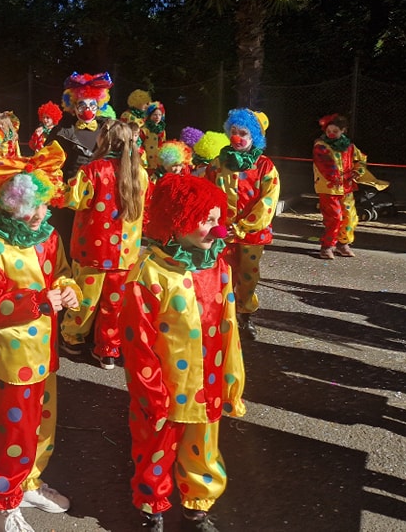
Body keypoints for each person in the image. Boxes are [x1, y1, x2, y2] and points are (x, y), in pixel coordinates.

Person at [120, 174, 246, 532]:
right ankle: (151, 509)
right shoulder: (150, 273)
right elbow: (137, 343)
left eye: (216, 219)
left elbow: (229, 328)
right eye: (205, 221)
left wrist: (231, 378)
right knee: (155, 450)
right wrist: (151, 393)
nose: (216, 230)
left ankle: (197, 506)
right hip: (164, 388)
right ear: (176, 222)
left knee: (203, 449)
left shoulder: (218, 266)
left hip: (208, 380)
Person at [0, 142, 79, 532]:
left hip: (45, 352)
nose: (44, 215)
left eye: (44, 208)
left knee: (43, 424)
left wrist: (68, 290)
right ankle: (4, 505)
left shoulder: (48, 238)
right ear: (13, 209)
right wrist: (37, 300)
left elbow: (64, 273)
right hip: (14, 360)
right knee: (14, 430)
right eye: (34, 213)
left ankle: (30, 482)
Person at [60, 120, 148, 367]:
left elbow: (74, 200)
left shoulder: (93, 170)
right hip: (125, 254)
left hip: (93, 251)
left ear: (105, 140)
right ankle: (108, 348)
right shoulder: (139, 173)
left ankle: (73, 339)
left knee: (84, 300)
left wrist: (58, 184)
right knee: (114, 305)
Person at [205, 109, 280, 341]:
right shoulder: (218, 163)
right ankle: (222, 315)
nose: (237, 137)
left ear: (255, 137)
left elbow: (267, 202)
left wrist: (244, 226)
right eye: (234, 132)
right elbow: (206, 194)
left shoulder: (265, 166)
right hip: (222, 232)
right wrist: (213, 223)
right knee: (223, 273)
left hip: (252, 234)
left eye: (243, 133)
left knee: (248, 276)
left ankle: (245, 315)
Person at [48, 72, 114, 253]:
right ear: (73, 106)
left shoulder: (108, 128)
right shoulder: (62, 131)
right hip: (70, 191)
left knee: (96, 234)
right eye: (81, 104)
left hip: (100, 191)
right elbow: (50, 161)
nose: (87, 109)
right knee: (67, 233)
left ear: (99, 104)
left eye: (92, 104)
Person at [312, 113, 388, 259]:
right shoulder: (321, 146)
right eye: (329, 131)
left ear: (343, 131)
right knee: (334, 217)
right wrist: (341, 176)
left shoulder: (349, 146)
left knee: (350, 216)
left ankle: (343, 243)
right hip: (328, 189)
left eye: (335, 131)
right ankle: (327, 246)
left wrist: (357, 171)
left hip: (346, 188)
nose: (331, 134)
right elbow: (326, 167)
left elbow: (361, 159)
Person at [140, 101, 166, 172]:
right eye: (155, 114)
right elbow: (139, 144)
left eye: (160, 115)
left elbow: (163, 144)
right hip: (146, 159)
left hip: (158, 160)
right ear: (149, 115)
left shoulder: (162, 130)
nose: (157, 117)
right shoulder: (144, 129)